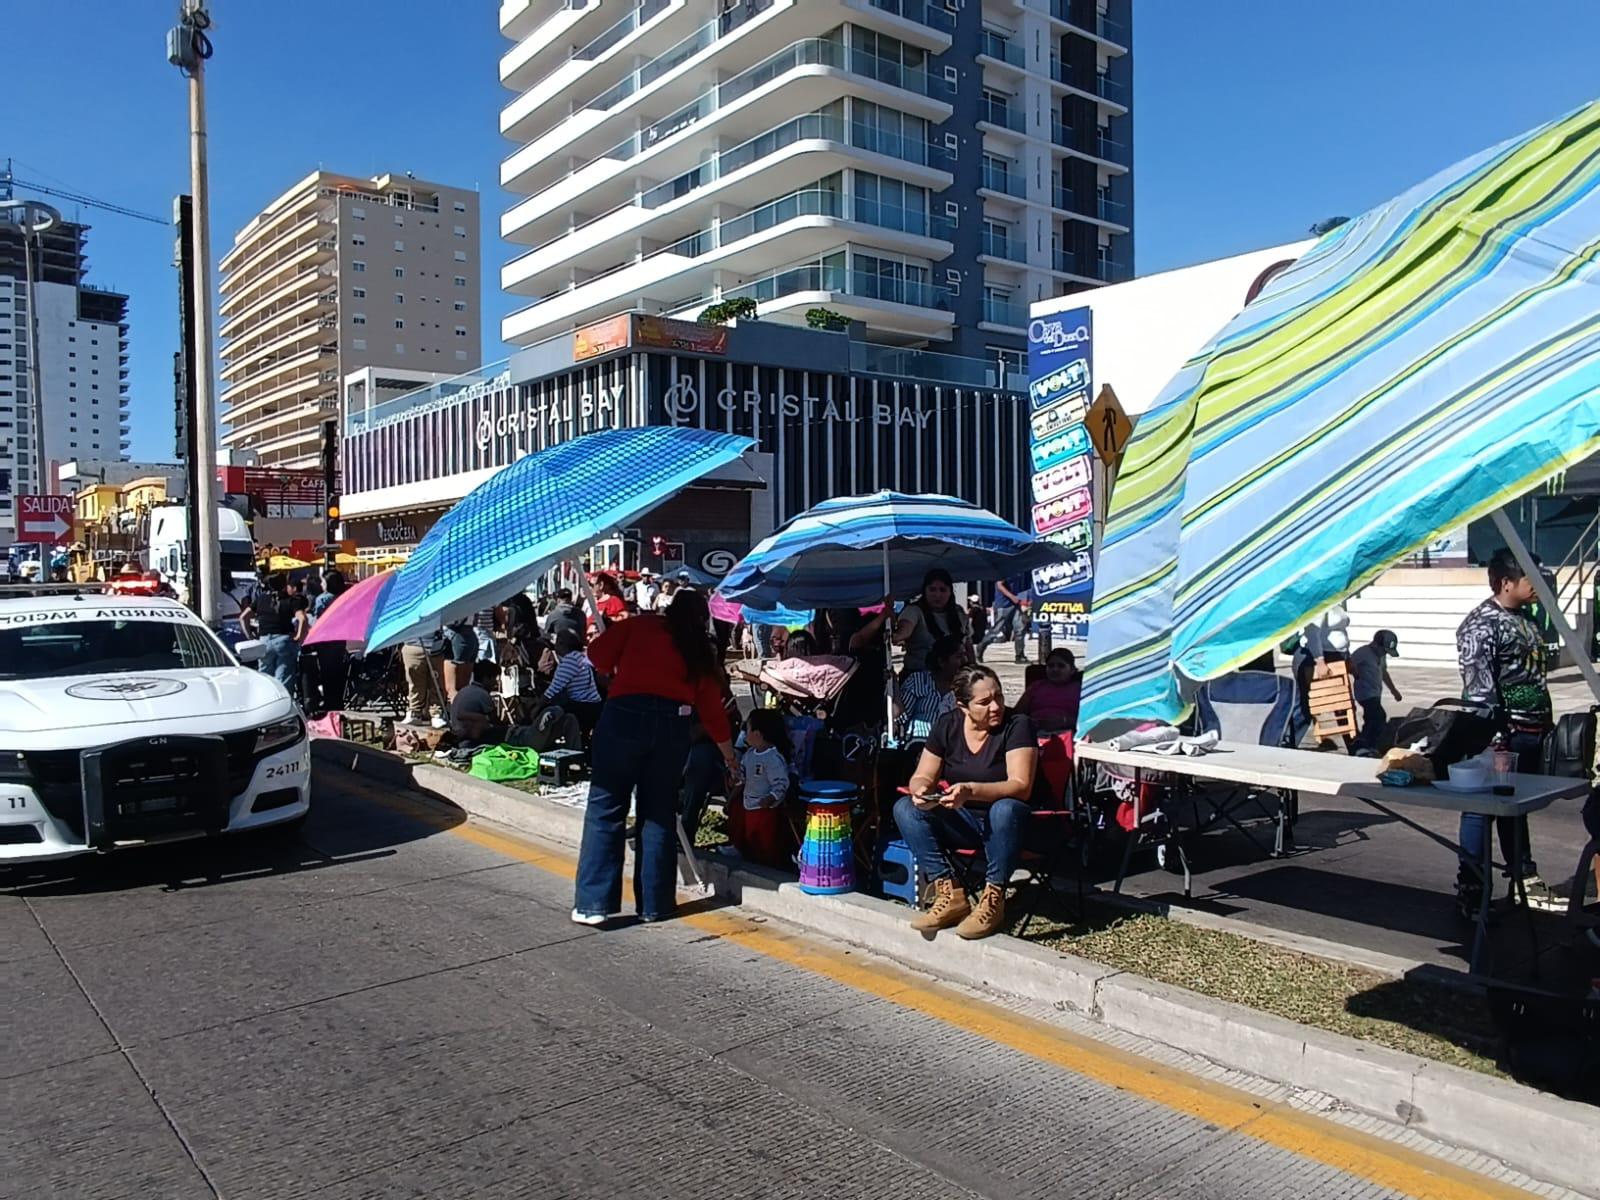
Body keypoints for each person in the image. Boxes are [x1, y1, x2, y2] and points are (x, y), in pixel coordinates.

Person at [576, 589, 737, 925]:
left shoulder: (641, 625)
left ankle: (594, 905)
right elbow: (712, 712)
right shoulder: (700, 649)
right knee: (659, 813)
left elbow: (596, 655)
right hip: (672, 727)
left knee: (606, 807)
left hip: (623, 717)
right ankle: (656, 904)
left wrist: (616, 664)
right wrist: (730, 757)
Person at [894, 664, 1037, 939]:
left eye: (999, 697)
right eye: (984, 702)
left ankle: (994, 896)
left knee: (1005, 809)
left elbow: (1021, 786)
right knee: (905, 808)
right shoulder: (947, 724)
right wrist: (921, 791)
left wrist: (971, 791)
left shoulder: (1018, 725)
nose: (996, 707)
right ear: (963, 706)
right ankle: (949, 892)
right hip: (966, 822)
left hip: (1011, 826)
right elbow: (923, 775)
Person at [1456, 549, 1555, 913]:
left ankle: (1522, 878)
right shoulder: (1482, 624)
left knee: (1515, 808)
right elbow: (1479, 690)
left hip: (1532, 731)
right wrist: (1495, 740)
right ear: (1506, 582)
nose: (1539, 583)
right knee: (1481, 809)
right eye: (1531, 576)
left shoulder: (1528, 619)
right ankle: (1472, 889)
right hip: (1501, 736)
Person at [450, 661, 581, 751]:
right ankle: (554, 714)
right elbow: (496, 722)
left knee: (568, 719)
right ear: (485, 678)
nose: (496, 683)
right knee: (552, 715)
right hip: (510, 740)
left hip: (492, 737)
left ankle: (572, 752)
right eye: (494, 678)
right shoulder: (481, 695)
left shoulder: (465, 691)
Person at [726, 709, 796, 868]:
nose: (745, 734)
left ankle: (768, 864)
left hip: (765, 807)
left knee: (766, 839)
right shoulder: (749, 755)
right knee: (751, 835)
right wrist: (736, 778)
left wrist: (772, 797)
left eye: (747, 730)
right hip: (750, 804)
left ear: (757, 734)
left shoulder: (773, 758)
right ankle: (750, 858)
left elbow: (781, 782)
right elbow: (744, 775)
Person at [239, 572, 308, 693]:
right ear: (284, 585)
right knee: (284, 677)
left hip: (264, 640)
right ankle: (282, 700)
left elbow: (243, 617)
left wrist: (250, 636)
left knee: (265, 676)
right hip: (284, 640)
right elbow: (302, 618)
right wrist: (299, 637)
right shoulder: (291, 601)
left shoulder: (260, 599)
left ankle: (266, 699)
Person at [894, 568, 971, 675]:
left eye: (943, 590)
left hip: (955, 676)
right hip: (918, 675)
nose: (937, 595)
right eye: (932, 589)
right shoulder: (914, 611)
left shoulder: (959, 613)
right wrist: (897, 633)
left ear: (950, 592)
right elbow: (903, 632)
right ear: (924, 591)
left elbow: (968, 646)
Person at [1293, 604, 1351, 743]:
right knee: (1307, 702)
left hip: (1336, 655)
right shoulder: (1320, 603)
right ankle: (1288, 740)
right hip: (1317, 656)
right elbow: (1312, 632)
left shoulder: (1337, 603)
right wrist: (1319, 661)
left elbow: (1341, 631)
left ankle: (1351, 741)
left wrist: (1348, 657)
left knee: (1342, 701)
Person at [896, 633, 964, 743]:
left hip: (953, 745)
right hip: (919, 742)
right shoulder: (918, 681)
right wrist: (894, 686)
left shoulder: (965, 686)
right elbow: (901, 717)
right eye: (959, 657)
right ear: (942, 662)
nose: (965, 660)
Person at [1348, 630, 1402, 756]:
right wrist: (1355, 672)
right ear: (1376, 644)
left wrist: (1393, 690)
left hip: (1376, 692)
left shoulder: (1381, 656)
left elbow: (1384, 673)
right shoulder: (1363, 653)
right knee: (1378, 716)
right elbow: (1349, 664)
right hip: (1364, 693)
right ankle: (1362, 744)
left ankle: (1370, 745)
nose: (1384, 653)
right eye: (1384, 650)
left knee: (1371, 719)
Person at [542, 628, 603, 732]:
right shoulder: (579, 656)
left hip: (583, 707)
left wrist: (537, 707)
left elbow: (553, 690)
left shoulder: (569, 662)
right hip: (594, 705)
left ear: (562, 645)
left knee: (552, 709)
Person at [307, 569, 349, 711]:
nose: (321, 584)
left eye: (323, 581)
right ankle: (338, 702)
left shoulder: (322, 599)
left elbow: (318, 619)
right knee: (338, 671)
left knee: (326, 672)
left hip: (325, 639)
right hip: (340, 638)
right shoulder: (343, 597)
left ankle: (329, 703)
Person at [1015, 647, 1082, 732]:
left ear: (1072, 670)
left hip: (1069, 733)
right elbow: (1017, 713)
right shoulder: (1036, 686)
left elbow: (1089, 720)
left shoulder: (1080, 689)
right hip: (1034, 732)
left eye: (1061, 666)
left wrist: (1064, 721)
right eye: (1051, 666)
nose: (1055, 669)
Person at [976, 574, 1032, 664]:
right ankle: (980, 648)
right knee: (995, 631)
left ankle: (1020, 656)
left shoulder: (1019, 572)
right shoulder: (1005, 570)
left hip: (1015, 605)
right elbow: (999, 585)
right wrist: (1013, 597)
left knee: (1020, 629)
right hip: (1003, 605)